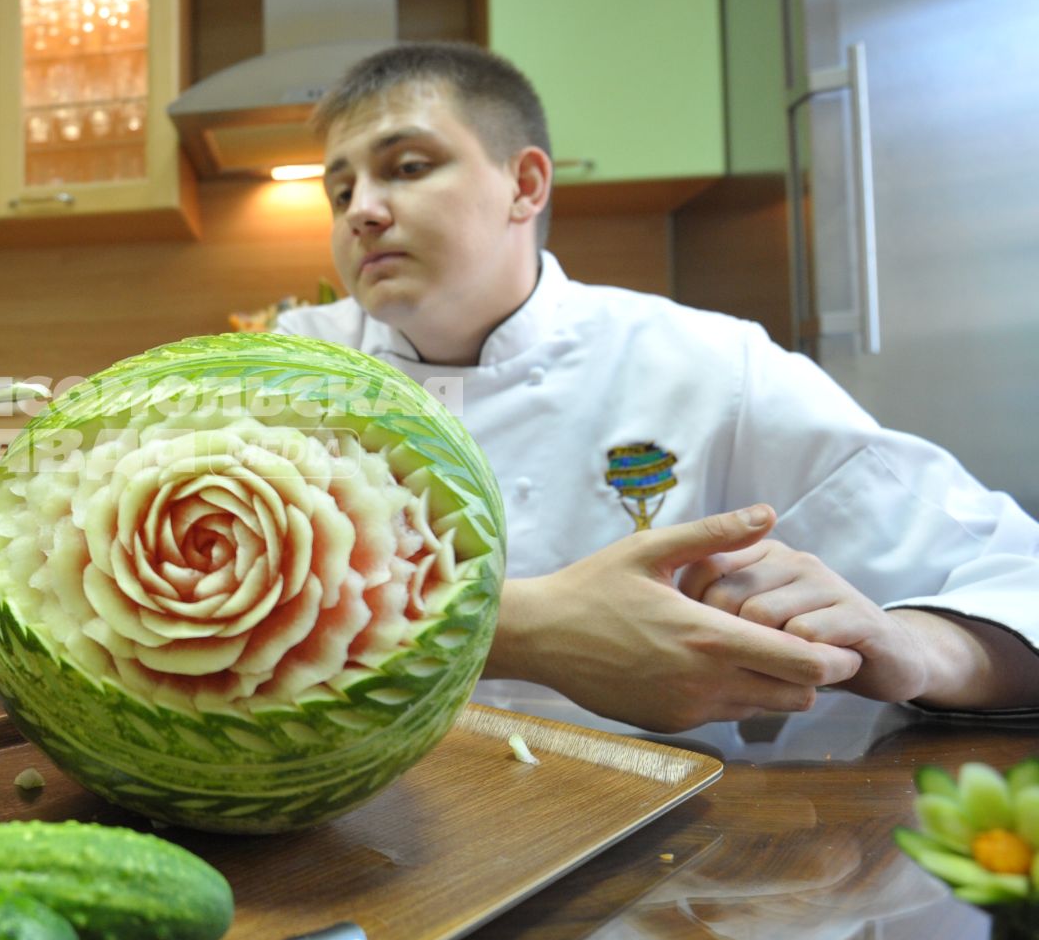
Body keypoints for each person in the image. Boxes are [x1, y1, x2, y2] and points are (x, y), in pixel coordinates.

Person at [276, 41, 1039, 732]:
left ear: (526, 183)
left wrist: (919, 648)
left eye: (406, 167)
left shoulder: (704, 364)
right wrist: (528, 627)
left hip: (665, 848)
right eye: (339, 193)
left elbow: (1017, 576)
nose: (363, 212)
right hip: (355, 837)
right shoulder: (284, 374)